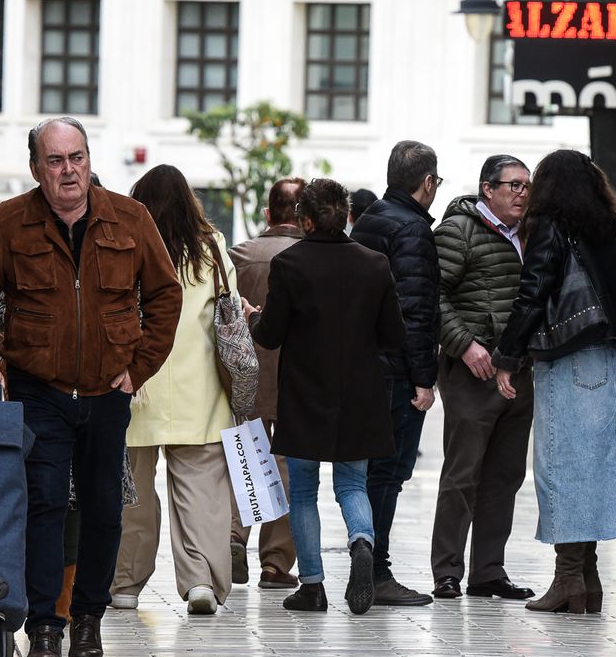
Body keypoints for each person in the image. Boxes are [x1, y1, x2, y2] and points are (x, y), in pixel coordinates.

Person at [0, 117, 182, 657]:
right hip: (39, 390)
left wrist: (140, 367)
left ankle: (88, 621)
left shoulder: (129, 219)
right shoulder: (8, 222)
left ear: (88, 159)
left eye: (76, 157)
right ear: (36, 168)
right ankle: (44, 626)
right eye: (54, 161)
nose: (68, 170)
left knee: (105, 509)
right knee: (45, 503)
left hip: (108, 391)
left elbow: (165, 294)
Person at [245, 179, 405, 615]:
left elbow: (272, 334)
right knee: (353, 484)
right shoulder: (374, 264)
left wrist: (255, 317)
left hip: (304, 394)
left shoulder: (291, 263)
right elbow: (393, 335)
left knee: (303, 492)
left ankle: (312, 586)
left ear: (306, 218)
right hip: (361, 393)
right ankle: (361, 541)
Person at [493, 150, 616, 615]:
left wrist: (508, 356)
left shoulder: (550, 225)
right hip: (606, 357)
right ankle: (588, 579)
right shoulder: (604, 227)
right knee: (592, 467)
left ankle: (568, 578)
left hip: (566, 357)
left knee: (563, 468)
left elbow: (532, 291)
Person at [111, 165, 242, 615]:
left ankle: (124, 583)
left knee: (133, 494)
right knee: (202, 492)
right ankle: (201, 579)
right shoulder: (210, 248)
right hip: (199, 391)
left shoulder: (125, 244)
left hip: (135, 386)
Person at [428, 155, 536, 601]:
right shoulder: (458, 231)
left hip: (520, 371)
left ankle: (489, 571)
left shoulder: (531, 235)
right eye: (513, 185)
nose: (522, 193)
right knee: (462, 475)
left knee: (506, 476)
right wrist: (465, 345)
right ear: (487, 189)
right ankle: (447, 571)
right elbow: (431, 295)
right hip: (473, 373)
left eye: (527, 186)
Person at [349, 141, 441, 607]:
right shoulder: (414, 231)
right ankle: (376, 566)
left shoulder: (367, 221)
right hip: (397, 372)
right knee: (388, 473)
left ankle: (366, 551)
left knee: (369, 471)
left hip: (365, 365)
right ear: (426, 183)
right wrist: (424, 380)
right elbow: (416, 311)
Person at [226, 178, 303, 591]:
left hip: (245, 373)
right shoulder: (312, 256)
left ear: (269, 214)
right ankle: (275, 563)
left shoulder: (238, 255)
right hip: (293, 376)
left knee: (244, 456)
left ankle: (234, 537)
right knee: (287, 464)